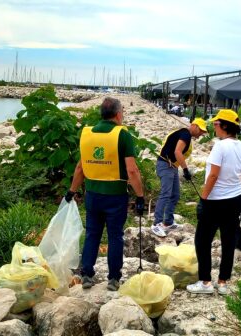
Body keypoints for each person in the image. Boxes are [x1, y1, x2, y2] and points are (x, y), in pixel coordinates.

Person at [64, 97, 145, 291]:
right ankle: (114, 279)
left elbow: (80, 168)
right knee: (115, 236)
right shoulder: (122, 135)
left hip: (92, 194)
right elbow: (132, 170)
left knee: (92, 234)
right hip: (115, 196)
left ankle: (87, 275)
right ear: (118, 114)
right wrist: (140, 196)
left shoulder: (87, 134)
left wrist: (71, 191)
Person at [186, 109, 241, 295]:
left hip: (214, 201)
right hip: (235, 199)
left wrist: (203, 198)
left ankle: (205, 282)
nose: (213, 126)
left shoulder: (220, 147)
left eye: (215, 123)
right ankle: (223, 282)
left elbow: (213, 175)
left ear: (224, 125)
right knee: (228, 241)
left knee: (203, 241)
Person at [152, 118, 208, 237]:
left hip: (172, 167)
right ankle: (156, 223)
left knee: (175, 194)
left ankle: (168, 221)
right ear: (195, 126)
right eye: (201, 131)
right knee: (165, 194)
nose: (201, 134)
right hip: (165, 165)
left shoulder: (184, 134)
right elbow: (178, 152)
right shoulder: (185, 134)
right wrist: (186, 170)